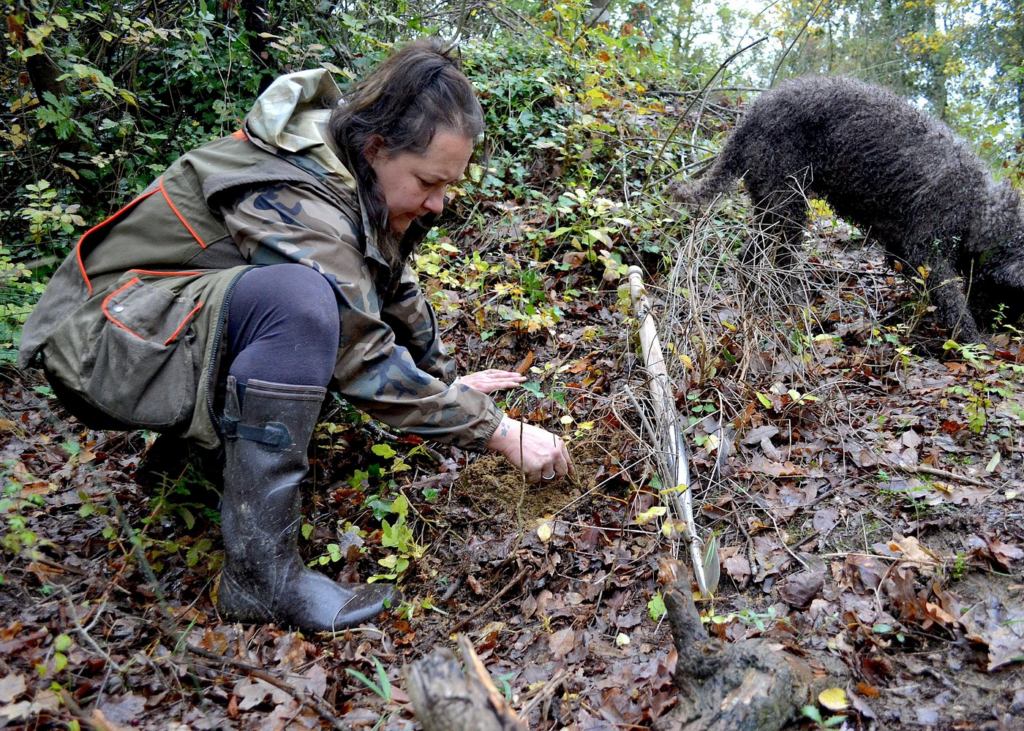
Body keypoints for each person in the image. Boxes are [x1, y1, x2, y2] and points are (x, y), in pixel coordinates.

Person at [18, 39, 573, 633]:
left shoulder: (347, 175)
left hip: (156, 336)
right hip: (102, 345)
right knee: (302, 307)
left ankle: (186, 468)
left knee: (309, 308)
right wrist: (496, 429)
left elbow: (391, 287)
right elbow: (357, 349)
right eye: (428, 182)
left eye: (448, 185)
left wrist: (445, 383)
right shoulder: (294, 193)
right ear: (376, 147)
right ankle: (261, 580)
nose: (438, 203)